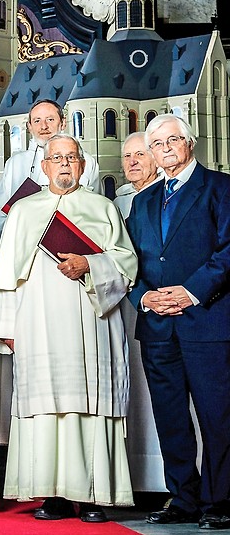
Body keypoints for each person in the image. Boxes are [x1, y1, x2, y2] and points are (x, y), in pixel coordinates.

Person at [0, 135, 136, 522]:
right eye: (56, 158)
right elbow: (5, 278)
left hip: (91, 322)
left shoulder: (102, 208)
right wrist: (6, 328)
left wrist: (91, 265)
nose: (64, 164)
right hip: (37, 325)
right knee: (44, 406)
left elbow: (126, 264)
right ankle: (51, 494)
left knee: (89, 402)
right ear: (44, 166)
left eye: (71, 157)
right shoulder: (23, 211)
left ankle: (93, 495)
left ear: (82, 166)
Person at [126, 114, 230, 530]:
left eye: (172, 140)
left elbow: (227, 250)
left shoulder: (221, 188)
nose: (165, 148)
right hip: (157, 326)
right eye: (157, 144)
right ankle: (184, 497)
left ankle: (221, 500)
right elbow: (127, 261)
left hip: (206, 320)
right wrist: (144, 296)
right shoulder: (143, 202)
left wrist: (190, 291)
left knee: (217, 415)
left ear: (190, 142)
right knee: (170, 417)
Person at [111, 132, 166, 495]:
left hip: (163, 303)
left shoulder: (166, 194)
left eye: (139, 154)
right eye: (126, 156)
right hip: (128, 305)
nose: (131, 162)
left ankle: (164, 479)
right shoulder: (117, 201)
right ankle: (135, 476)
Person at [0, 99, 101, 240]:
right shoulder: (15, 164)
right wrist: (18, 242)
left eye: (50, 119)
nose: (44, 126)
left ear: (63, 123)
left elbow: (97, 213)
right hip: (24, 245)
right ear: (29, 126)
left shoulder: (86, 162)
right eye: (37, 121)